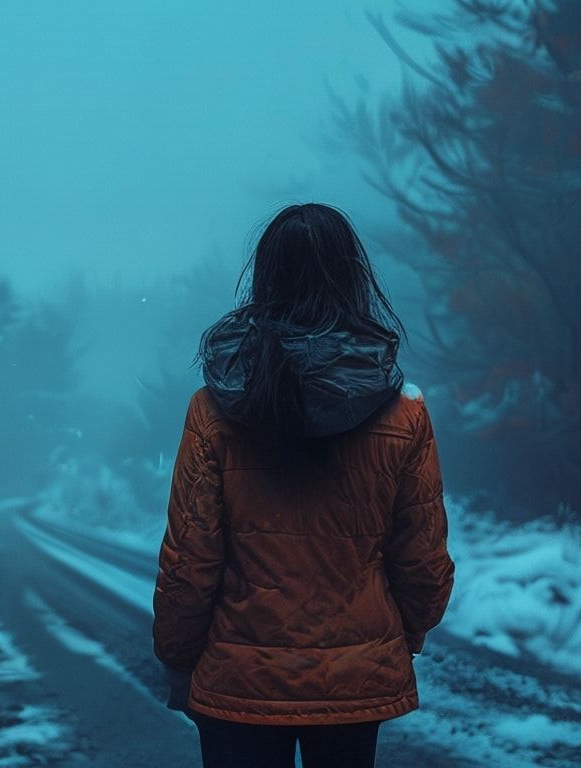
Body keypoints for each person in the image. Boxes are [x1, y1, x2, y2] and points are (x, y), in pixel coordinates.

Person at [151, 203, 455, 768]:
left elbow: (190, 560)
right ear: (351, 276)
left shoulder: (213, 409)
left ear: (265, 277)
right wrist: (393, 640)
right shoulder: (403, 412)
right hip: (353, 684)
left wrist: (178, 656)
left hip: (237, 683)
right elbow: (423, 559)